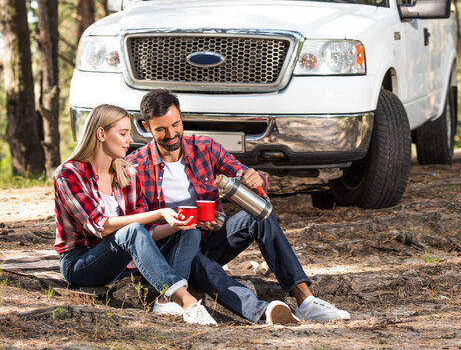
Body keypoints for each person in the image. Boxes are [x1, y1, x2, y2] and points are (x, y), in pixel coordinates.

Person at [126, 90, 351, 324]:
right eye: (161, 129)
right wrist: (183, 222)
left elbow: (242, 172)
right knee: (201, 265)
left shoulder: (203, 147)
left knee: (259, 215)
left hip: (211, 239)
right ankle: (264, 312)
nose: (171, 135)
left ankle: (306, 301)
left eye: (175, 125)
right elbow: (141, 229)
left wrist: (254, 178)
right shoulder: (137, 166)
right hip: (170, 253)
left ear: (181, 118)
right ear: (146, 126)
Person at [54, 104, 216, 325]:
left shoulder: (127, 173)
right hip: (82, 263)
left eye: (129, 133)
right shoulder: (69, 174)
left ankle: (165, 302)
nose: (130, 139)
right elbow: (100, 226)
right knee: (132, 230)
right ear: (101, 133)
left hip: (123, 263)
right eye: (123, 134)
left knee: (189, 232)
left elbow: (145, 234)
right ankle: (187, 302)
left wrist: (176, 224)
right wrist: (158, 212)